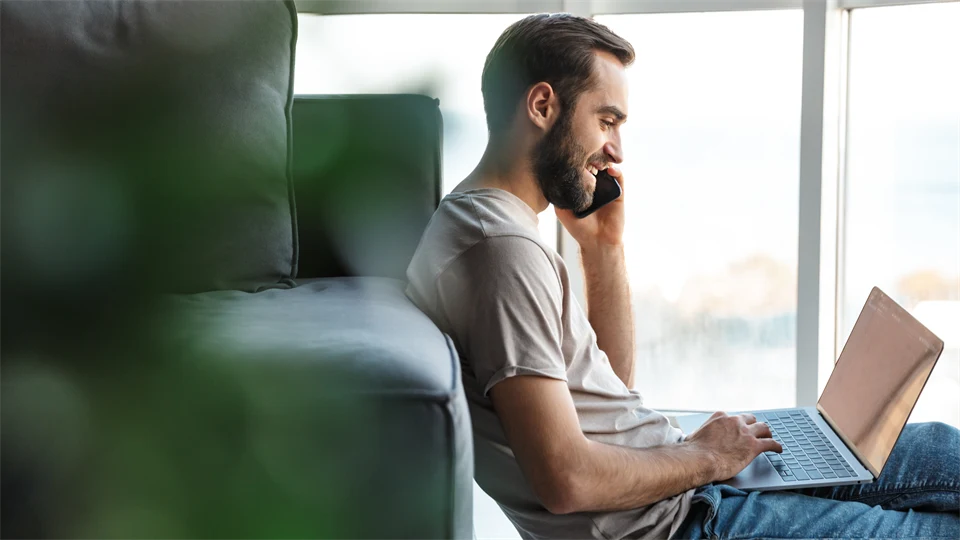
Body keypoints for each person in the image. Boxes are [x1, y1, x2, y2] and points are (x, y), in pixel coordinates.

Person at [405, 13, 960, 540]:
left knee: (937, 450)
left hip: (681, 479)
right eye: (606, 121)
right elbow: (565, 480)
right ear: (544, 104)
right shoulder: (501, 249)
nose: (615, 150)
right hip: (681, 519)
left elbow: (608, 390)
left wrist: (604, 249)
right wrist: (708, 458)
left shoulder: (483, 223)